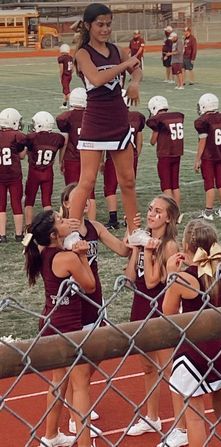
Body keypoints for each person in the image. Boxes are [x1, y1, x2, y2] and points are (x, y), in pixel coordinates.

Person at [70, 3, 145, 246]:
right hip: (95, 122)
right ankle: (71, 232)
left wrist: (135, 82)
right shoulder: (83, 53)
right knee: (87, 180)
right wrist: (126, 65)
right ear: (89, 25)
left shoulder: (116, 49)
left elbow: (137, 69)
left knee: (128, 179)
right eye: (100, 24)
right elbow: (98, 78)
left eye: (108, 24)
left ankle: (134, 230)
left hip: (118, 120)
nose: (105, 29)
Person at [60, 181, 132, 435]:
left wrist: (131, 232)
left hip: (95, 297)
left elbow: (123, 250)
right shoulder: (59, 230)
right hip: (71, 300)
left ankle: (77, 396)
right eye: (79, 197)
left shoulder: (95, 227)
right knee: (75, 358)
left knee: (99, 349)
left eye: (88, 198)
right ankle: (74, 415)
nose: (86, 201)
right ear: (67, 203)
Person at [23, 209, 96, 447]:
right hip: (69, 329)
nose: (66, 221)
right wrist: (83, 255)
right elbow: (90, 286)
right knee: (80, 385)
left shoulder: (44, 252)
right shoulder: (69, 258)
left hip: (50, 323)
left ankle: (51, 435)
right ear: (54, 234)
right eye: (61, 221)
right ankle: (84, 442)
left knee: (58, 381)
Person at [162, 218, 221, 447]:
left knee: (194, 417)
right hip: (217, 350)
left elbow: (168, 313)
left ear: (186, 246)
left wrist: (171, 274)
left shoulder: (183, 279)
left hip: (190, 352)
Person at [125, 196, 187, 446]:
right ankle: (152, 418)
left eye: (158, 211)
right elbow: (131, 278)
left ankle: (182, 427)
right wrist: (137, 247)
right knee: (148, 368)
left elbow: (153, 282)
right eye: (150, 209)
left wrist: (148, 249)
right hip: (139, 307)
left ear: (169, 218)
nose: (151, 214)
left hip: (160, 311)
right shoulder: (146, 242)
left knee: (171, 370)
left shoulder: (169, 246)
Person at [103, 89, 146, 230]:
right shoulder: (137, 117)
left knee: (110, 187)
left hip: (114, 154)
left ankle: (113, 219)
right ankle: (131, 219)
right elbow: (139, 139)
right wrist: (136, 154)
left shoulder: (110, 117)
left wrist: (101, 161)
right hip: (131, 154)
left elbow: (103, 140)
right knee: (128, 187)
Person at [56, 87, 96, 220]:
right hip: (89, 157)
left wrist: (60, 160)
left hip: (72, 158)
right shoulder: (92, 116)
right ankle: (91, 223)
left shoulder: (65, 118)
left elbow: (65, 141)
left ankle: (72, 221)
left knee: (71, 191)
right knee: (90, 193)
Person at [194, 93, 221, 221]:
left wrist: (197, 159)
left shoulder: (202, 121)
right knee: (220, 182)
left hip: (208, 156)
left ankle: (208, 212)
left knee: (209, 184)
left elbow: (203, 141)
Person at [24, 111, 65, 225]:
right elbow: (64, 142)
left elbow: (26, 148)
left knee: (29, 201)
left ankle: (28, 226)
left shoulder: (32, 137)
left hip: (34, 173)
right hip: (48, 172)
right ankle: (49, 225)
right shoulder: (58, 138)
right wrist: (61, 160)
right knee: (47, 202)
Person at [146, 96, 184, 209]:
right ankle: (177, 211)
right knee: (175, 185)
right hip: (177, 154)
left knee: (166, 185)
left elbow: (153, 141)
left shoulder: (158, 120)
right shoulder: (176, 116)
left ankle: (171, 211)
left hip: (165, 155)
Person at [0, 108, 27, 243]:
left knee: (1, 205)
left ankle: (2, 235)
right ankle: (18, 234)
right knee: (16, 204)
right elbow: (22, 156)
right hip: (14, 175)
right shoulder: (18, 136)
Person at [57, 43, 74, 109]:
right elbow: (72, 68)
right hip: (69, 75)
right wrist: (70, 73)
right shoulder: (70, 57)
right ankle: (64, 104)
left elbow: (61, 68)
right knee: (65, 90)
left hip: (65, 76)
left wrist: (60, 76)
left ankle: (72, 104)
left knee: (67, 91)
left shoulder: (61, 58)